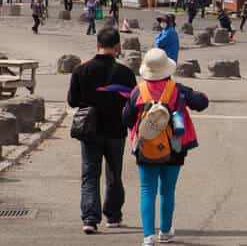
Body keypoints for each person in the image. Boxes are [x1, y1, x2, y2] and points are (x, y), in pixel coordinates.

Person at [123, 48, 209, 245]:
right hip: (175, 145)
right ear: (167, 69)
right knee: (167, 190)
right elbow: (202, 102)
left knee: (147, 189)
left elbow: (126, 119)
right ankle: (165, 230)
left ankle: (147, 236)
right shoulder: (177, 89)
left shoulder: (138, 91)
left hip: (145, 146)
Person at [67, 27, 137, 234]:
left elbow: (72, 101)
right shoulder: (125, 73)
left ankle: (90, 218)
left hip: (90, 130)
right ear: (117, 47)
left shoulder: (81, 70)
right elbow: (133, 102)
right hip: (116, 130)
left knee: (90, 173)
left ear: (97, 45)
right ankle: (113, 215)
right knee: (114, 173)